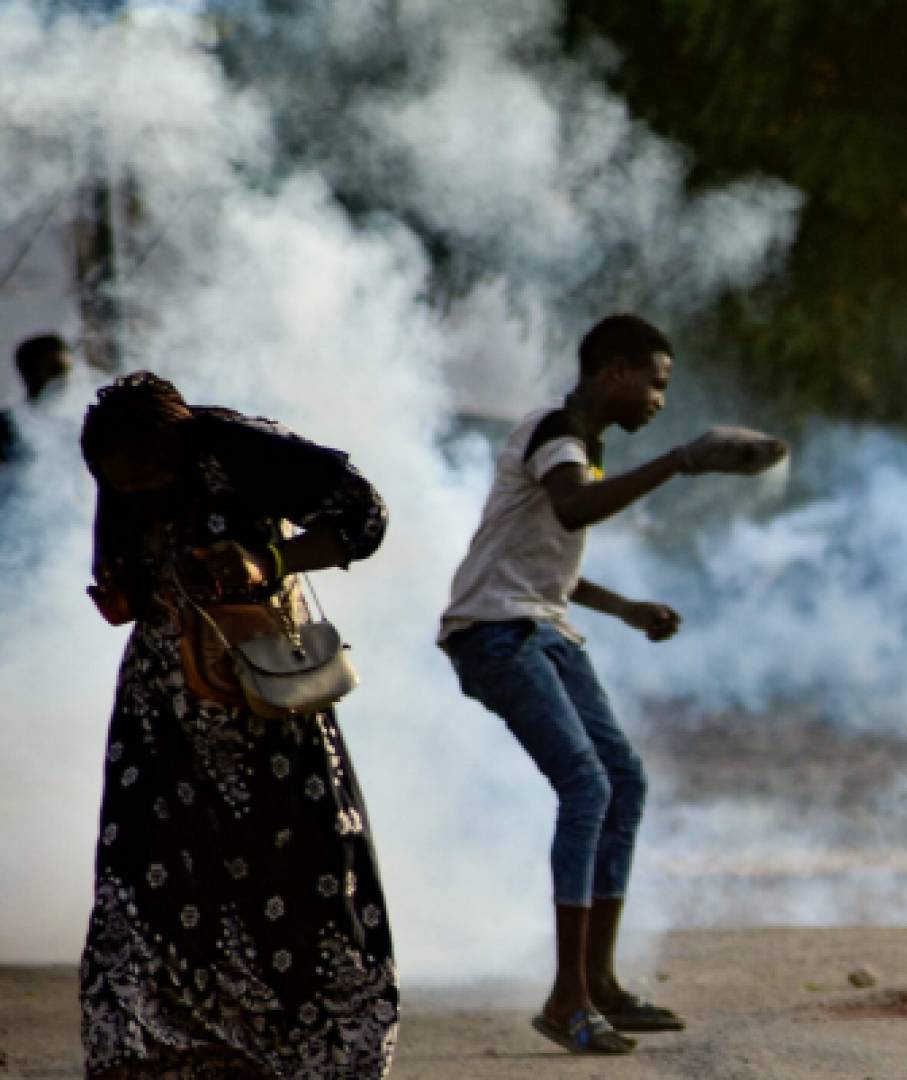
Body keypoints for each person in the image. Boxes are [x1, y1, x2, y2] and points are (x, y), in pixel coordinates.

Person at [439, 314, 786, 1055]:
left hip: (539, 627)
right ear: (614, 373)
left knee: (621, 780)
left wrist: (624, 608)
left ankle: (598, 983)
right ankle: (567, 996)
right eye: (655, 384)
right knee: (588, 785)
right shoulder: (556, 435)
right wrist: (682, 461)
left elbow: (545, 558)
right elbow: (573, 509)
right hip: (496, 635)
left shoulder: (579, 448)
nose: (660, 399)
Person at [79, 371, 399, 1077]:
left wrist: (269, 560)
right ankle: (169, 1046)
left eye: (146, 473)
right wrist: (124, 590)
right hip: (161, 716)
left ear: (176, 443)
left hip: (262, 704)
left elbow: (363, 517)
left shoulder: (243, 450)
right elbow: (121, 564)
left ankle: (306, 1047)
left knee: (295, 871)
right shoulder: (116, 471)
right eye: (122, 481)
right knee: (148, 873)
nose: (134, 488)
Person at [0, 333, 74, 465]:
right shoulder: (7, 427)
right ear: (31, 374)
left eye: (69, 371)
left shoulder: (80, 422)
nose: (66, 380)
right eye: (56, 371)